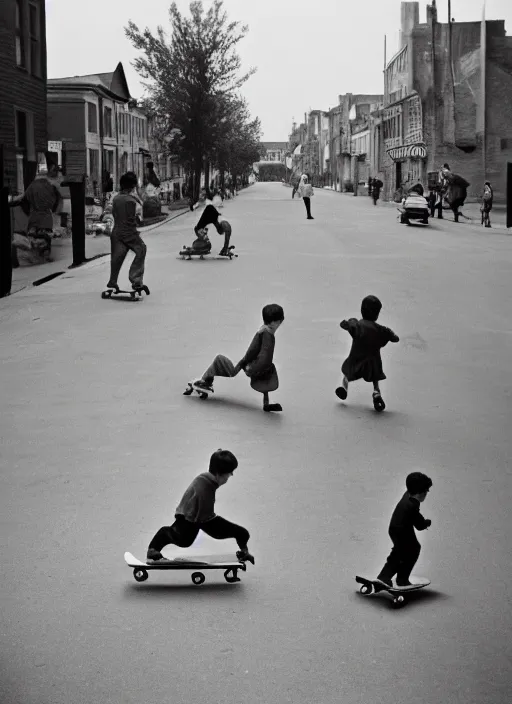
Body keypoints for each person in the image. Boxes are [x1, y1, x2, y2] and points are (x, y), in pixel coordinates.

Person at [146, 449, 255, 566]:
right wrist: (217, 527)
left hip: (197, 517)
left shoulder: (207, 480)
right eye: (229, 474)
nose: (230, 476)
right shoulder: (206, 485)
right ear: (219, 474)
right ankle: (153, 550)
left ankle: (244, 551)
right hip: (189, 517)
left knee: (241, 533)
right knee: (183, 540)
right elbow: (205, 515)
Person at [189, 304, 285, 412]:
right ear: (277, 322)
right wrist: (252, 367)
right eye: (277, 323)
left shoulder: (264, 330)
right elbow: (264, 355)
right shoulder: (267, 335)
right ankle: (205, 379)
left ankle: (266, 404)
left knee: (265, 380)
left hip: (255, 364)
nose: (278, 325)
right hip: (253, 364)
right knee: (228, 368)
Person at [336, 295, 399, 412]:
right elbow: (390, 335)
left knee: (348, 372)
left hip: (357, 358)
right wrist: (393, 337)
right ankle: (376, 393)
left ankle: (344, 388)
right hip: (373, 361)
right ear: (377, 314)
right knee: (375, 378)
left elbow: (351, 325)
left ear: (362, 310)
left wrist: (346, 325)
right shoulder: (379, 329)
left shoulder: (359, 325)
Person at [375, 472, 433, 588]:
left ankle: (384, 577)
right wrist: (427, 522)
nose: (426, 494)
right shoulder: (412, 505)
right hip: (403, 531)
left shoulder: (407, 495)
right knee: (413, 550)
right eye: (426, 491)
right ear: (420, 493)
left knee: (398, 552)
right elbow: (419, 525)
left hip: (394, 528)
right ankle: (402, 579)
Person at [105, 171, 147, 292]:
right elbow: (131, 220)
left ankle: (112, 282)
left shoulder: (116, 198)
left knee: (117, 258)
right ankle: (136, 280)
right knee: (141, 249)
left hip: (116, 232)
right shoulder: (130, 200)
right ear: (133, 186)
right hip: (127, 232)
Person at [14, 165, 62, 261]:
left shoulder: (33, 185)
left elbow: (23, 198)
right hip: (46, 218)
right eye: (60, 178)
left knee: (33, 236)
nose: (60, 180)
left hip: (33, 217)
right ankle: (43, 256)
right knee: (45, 238)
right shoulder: (52, 187)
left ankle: (34, 255)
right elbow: (57, 205)